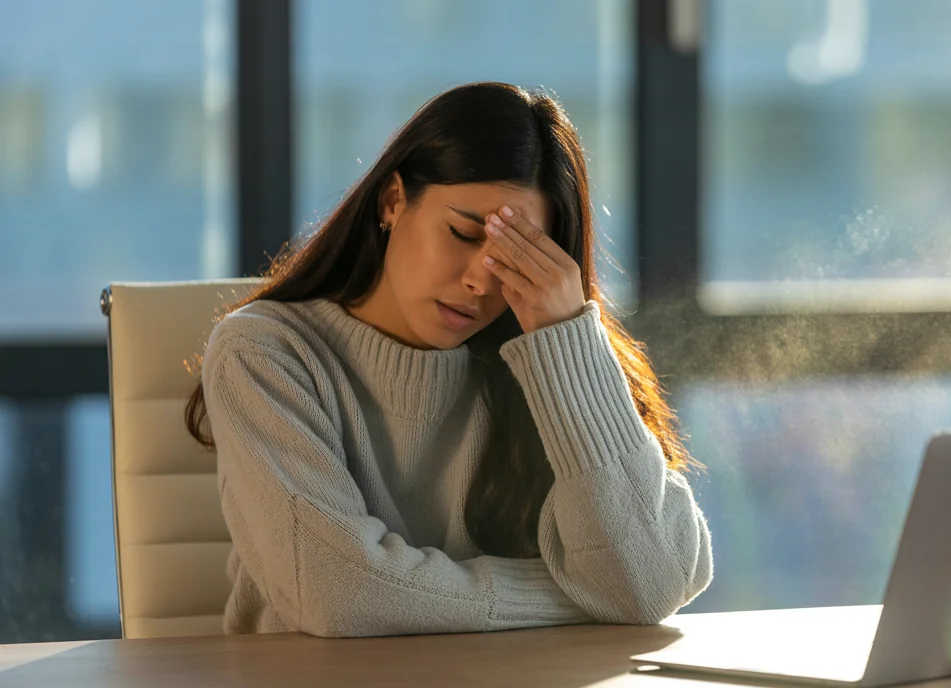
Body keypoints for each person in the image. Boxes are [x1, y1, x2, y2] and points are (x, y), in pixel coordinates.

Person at [184, 82, 713, 637]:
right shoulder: (264, 353)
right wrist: (582, 596)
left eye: (520, 259)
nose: (481, 280)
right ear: (392, 201)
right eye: (464, 233)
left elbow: (652, 581)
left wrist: (565, 340)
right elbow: (339, 594)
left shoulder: (547, 361)